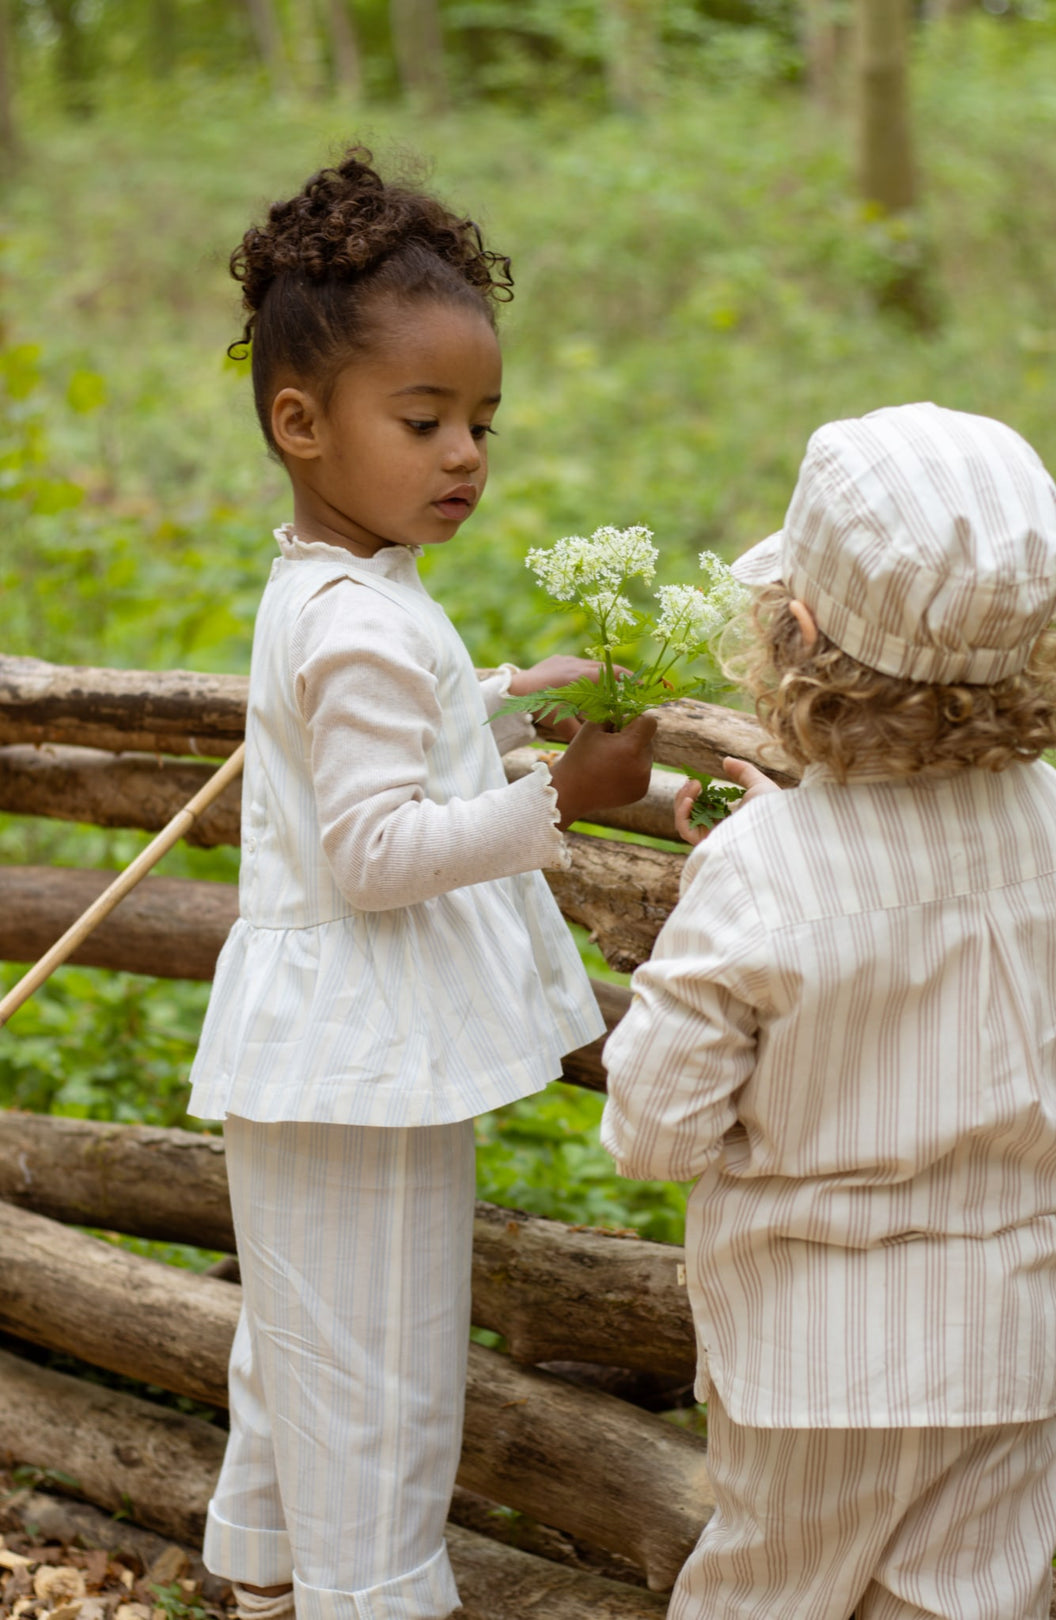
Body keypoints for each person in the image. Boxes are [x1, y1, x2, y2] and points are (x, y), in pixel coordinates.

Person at [186, 148, 656, 1620]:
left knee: (308, 1344)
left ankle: (265, 1580)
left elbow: (390, 736)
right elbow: (377, 852)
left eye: (480, 423)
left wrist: (510, 697)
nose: (466, 454)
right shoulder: (361, 626)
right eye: (426, 420)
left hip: (320, 1056)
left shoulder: (335, 592)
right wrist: (556, 799)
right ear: (301, 422)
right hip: (362, 1066)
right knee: (379, 1375)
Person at [601, 402, 1056, 1620]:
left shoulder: (764, 869)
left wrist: (760, 855)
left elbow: (654, 1132)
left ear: (796, 633)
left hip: (814, 1366)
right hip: (1014, 1345)